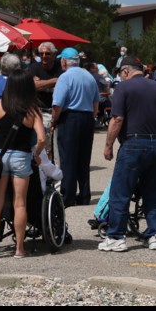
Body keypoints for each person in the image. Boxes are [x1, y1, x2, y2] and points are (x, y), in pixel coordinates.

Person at [100, 56, 156, 252]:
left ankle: (116, 237)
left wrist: (108, 145)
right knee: (154, 192)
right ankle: (153, 236)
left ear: (125, 72)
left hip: (133, 143)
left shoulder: (123, 88)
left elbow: (117, 119)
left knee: (120, 192)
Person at [0, 70, 46, 260]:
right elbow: (42, 138)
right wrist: (36, 154)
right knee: (20, 203)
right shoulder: (32, 109)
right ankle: (19, 249)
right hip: (21, 157)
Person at [51, 48, 99, 208]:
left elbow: (57, 104)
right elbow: (96, 103)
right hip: (87, 117)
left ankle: (68, 195)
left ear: (64, 61)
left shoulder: (64, 78)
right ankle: (84, 195)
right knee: (83, 158)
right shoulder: (89, 77)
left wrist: (53, 119)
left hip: (70, 118)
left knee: (68, 158)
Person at [29, 42, 63, 159]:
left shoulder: (60, 67)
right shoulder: (34, 67)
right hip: (40, 111)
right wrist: (54, 81)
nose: (44, 56)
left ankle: (55, 170)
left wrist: (42, 84)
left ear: (54, 54)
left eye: (47, 53)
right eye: (41, 53)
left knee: (57, 144)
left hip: (57, 111)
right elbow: (34, 86)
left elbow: (63, 85)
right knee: (43, 142)